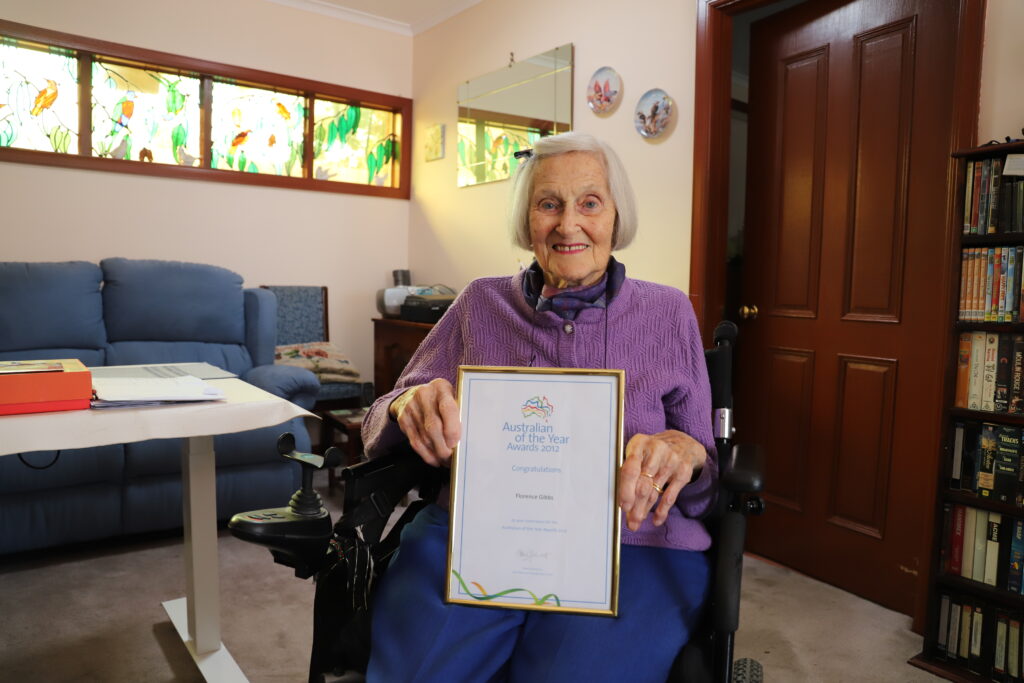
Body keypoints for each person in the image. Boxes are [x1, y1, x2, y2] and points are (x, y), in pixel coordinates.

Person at [360, 131, 717, 682]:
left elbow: (707, 472)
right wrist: (407, 402)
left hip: (632, 546)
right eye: (549, 204)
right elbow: (376, 416)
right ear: (527, 220)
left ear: (616, 216)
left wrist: (680, 449)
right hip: (476, 535)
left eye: (590, 203)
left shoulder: (668, 313)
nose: (568, 224)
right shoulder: (480, 303)